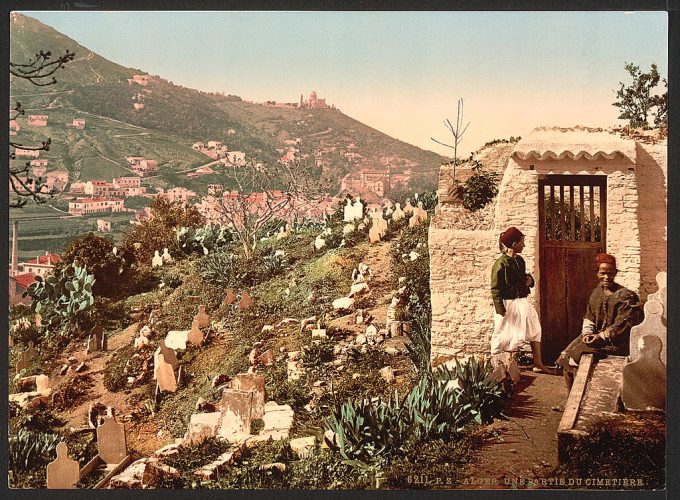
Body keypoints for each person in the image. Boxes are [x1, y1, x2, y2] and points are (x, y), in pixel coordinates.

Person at [557, 253, 643, 392]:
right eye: (602, 273)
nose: (607, 277)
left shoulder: (626, 296)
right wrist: (587, 333)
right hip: (596, 337)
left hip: (615, 342)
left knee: (575, 358)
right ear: (597, 273)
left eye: (610, 273)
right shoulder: (597, 292)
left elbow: (622, 325)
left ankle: (578, 398)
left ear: (615, 273)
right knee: (564, 355)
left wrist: (601, 336)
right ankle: (569, 398)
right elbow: (590, 315)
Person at [490, 226, 554, 374]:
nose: (524, 245)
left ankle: (538, 363)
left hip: (522, 301)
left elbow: (524, 277)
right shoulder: (500, 264)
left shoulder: (520, 261)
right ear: (514, 245)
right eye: (522, 242)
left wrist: (529, 280)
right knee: (503, 333)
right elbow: (495, 289)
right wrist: (500, 310)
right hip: (508, 303)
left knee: (534, 327)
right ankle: (498, 367)